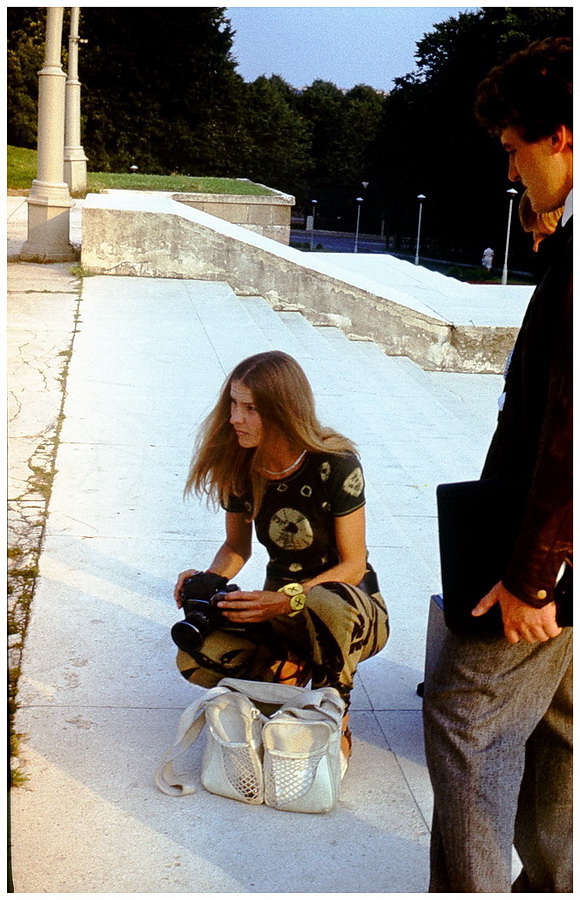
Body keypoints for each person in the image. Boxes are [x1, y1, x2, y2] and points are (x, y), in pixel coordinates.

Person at [423, 37, 572, 893]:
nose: (511, 172)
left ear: (560, 136)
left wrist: (532, 575)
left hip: (546, 546)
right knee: (558, 722)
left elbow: (571, 429)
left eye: (515, 149)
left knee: (465, 716)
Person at [173, 350, 389, 762]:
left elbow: (353, 565)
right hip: (280, 615)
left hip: (351, 613)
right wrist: (209, 580)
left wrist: (288, 599)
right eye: (233, 404)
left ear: (283, 410)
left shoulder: (336, 464)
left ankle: (333, 710)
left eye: (250, 409)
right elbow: (236, 549)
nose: (235, 418)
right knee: (195, 658)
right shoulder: (241, 465)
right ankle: (290, 666)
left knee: (324, 599)